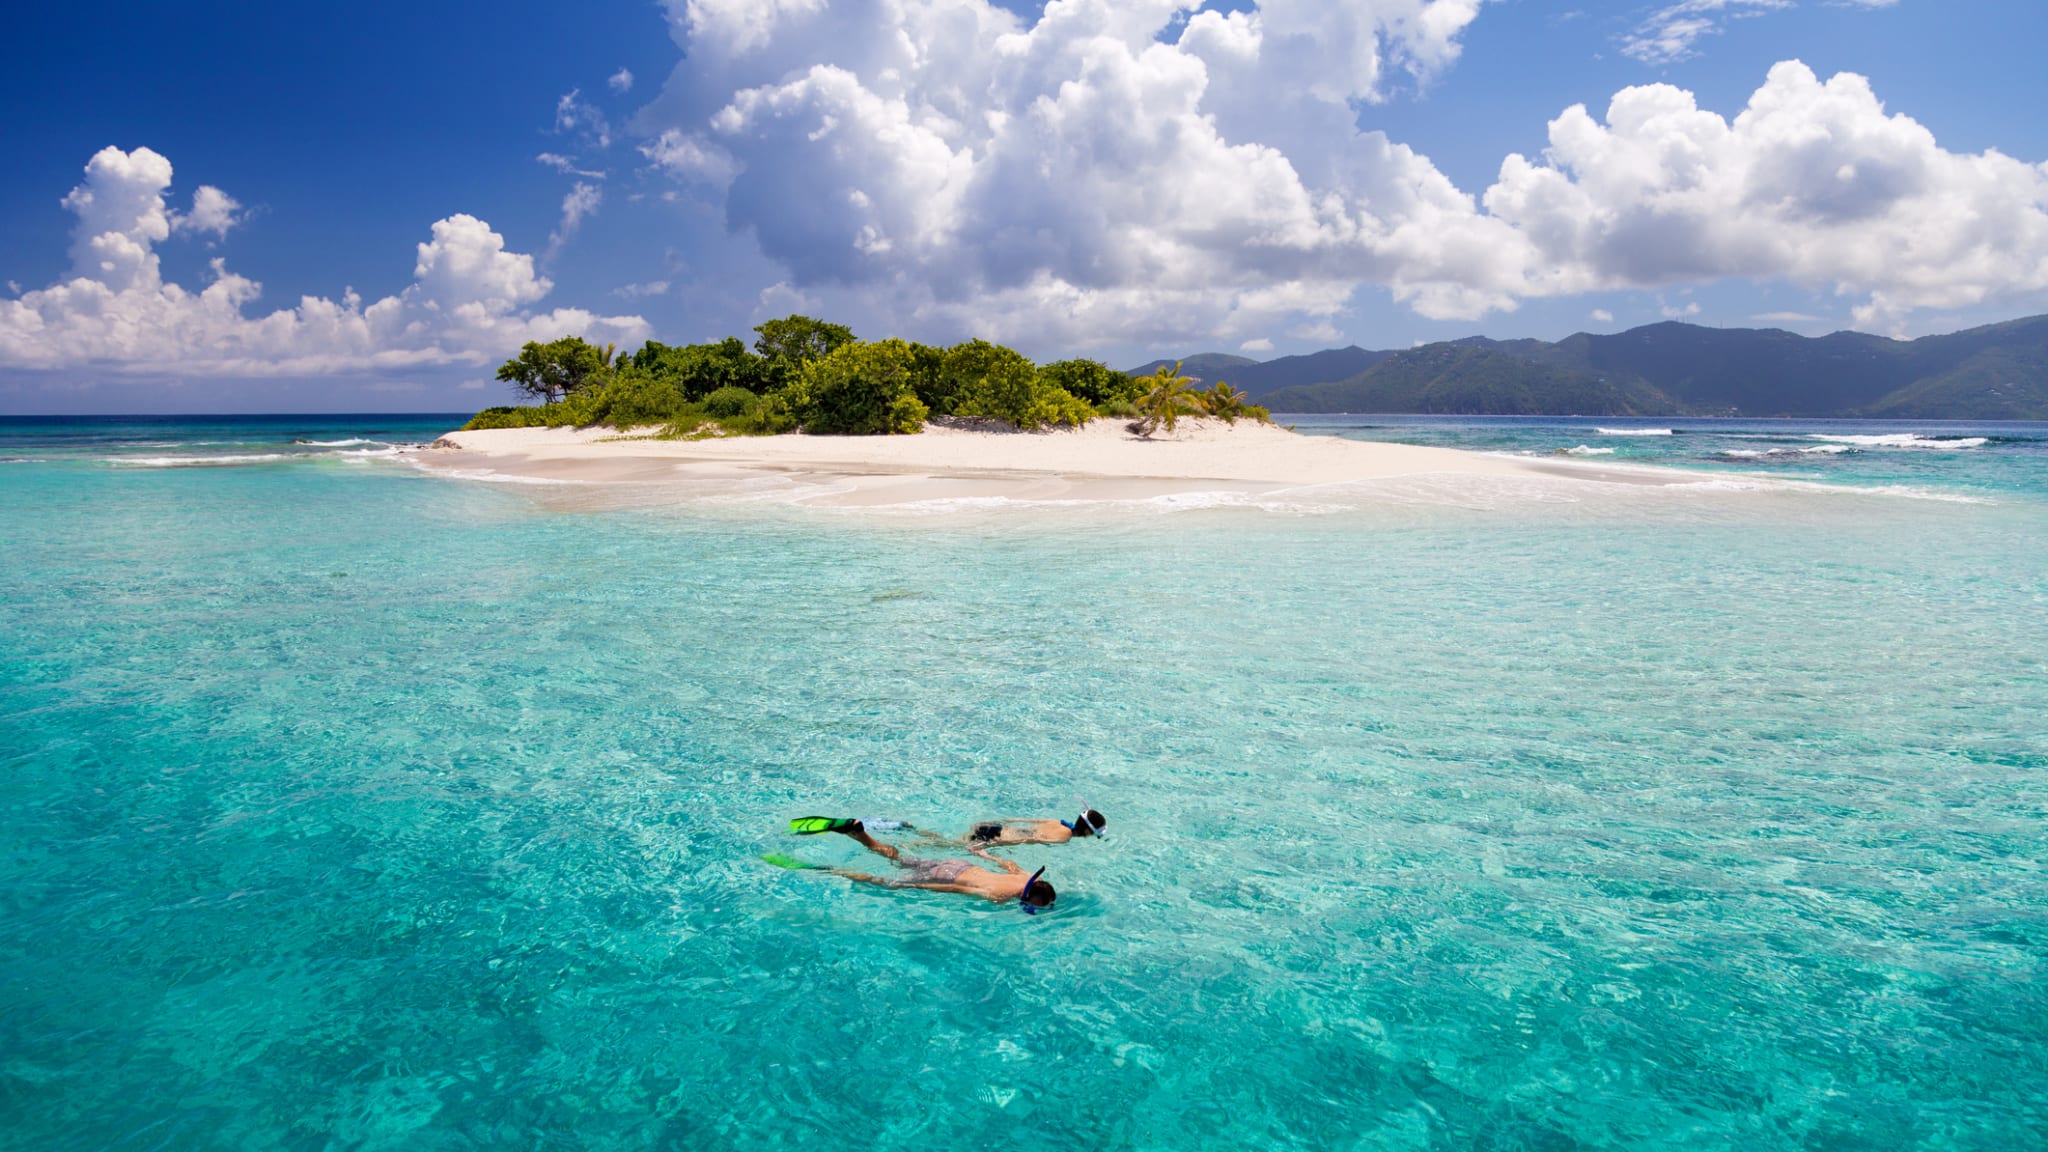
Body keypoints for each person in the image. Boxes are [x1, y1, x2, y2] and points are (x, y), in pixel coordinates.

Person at [807, 819, 1057, 912]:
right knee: (886, 882)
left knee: (899, 859)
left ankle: (862, 833)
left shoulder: (1026, 876)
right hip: (947, 876)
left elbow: (1008, 863)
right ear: (1031, 897)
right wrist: (917, 885)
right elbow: (955, 889)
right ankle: (835, 871)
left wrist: (984, 857)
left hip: (959, 863)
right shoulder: (999, 896)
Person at [962, 808, 1106, 848]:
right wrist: (995, 844)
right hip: (998, 837)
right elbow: (1030, 839)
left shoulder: (1056, 822)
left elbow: (1021, 820)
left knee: (950, 843)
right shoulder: (1065, 836)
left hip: (996, 827)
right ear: (1087, 831)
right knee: (947, 845)